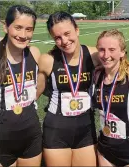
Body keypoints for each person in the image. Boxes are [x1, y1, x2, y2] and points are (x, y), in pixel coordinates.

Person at [36, 11, 100, 166]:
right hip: (56, 130)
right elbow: (33, 96)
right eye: (57, 37)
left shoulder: (94, 55)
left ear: (77, 30)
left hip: (86, 130)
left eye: (67, 33)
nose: (64, 41)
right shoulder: (47, 60)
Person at [93, 29, 129, 166]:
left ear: (122, 52)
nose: (106, 55)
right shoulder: (97, 77)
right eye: (101, 50)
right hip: (105, 150)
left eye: (112, 49)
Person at [0, 5, 42, 167]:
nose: (23, 35)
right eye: (18, 28)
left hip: (31, 137)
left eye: (29, 29)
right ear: (6, 26)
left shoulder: (35, 53)